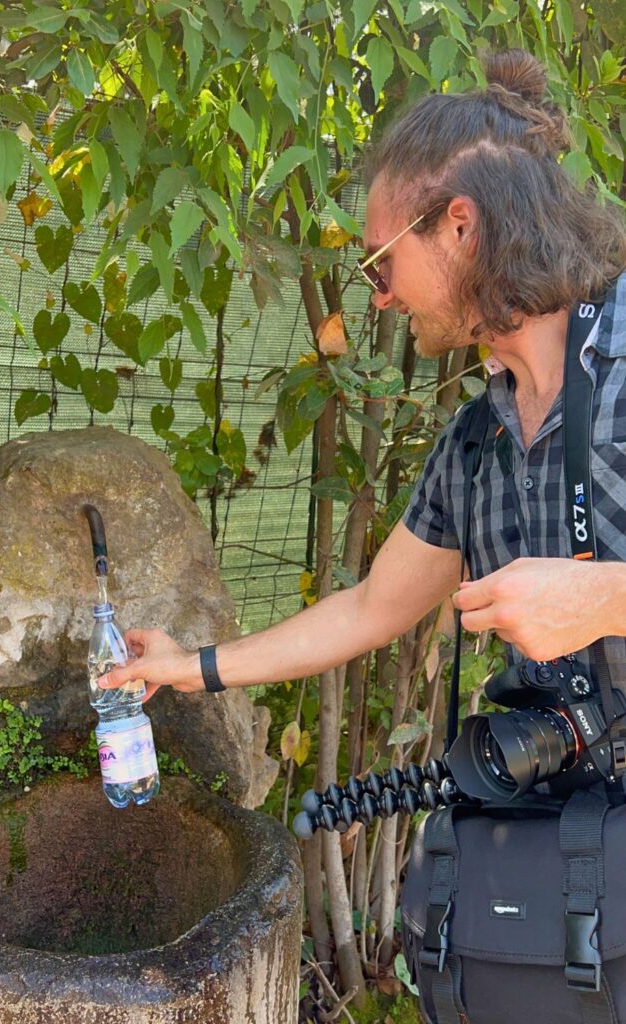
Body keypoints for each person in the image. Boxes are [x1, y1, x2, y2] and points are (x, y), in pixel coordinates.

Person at [99, 49, 626, 712]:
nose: (379, 299)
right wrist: (189, 667)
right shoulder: (476, 439)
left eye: (380, 265)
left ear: (459, 228)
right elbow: (368, 609)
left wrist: (603, 597)